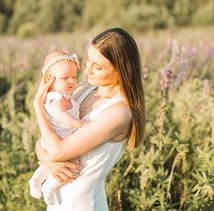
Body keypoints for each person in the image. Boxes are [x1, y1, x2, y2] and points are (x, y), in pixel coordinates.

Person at [33, 28, 146, 211]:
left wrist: (38, 108)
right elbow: (45, 141)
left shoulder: (119, 113)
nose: (87, 70)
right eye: (88, 60)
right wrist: (44, 157)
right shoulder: (80, 92)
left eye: (98, 67)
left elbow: (57, 150)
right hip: (57, 203)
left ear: (121, 71)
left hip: (83, 205)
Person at [29, 51, 88, 205]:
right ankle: (49, 187)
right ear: (49, 80)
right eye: (65, 78)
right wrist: (80, 124)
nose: (72, 81)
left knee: (55, 166)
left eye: (74, 77)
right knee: (73, 167)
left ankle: (36, 179)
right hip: (59, 138)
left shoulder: (64, 95)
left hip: (58, 137)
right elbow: (62, 117)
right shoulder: (56, 98)